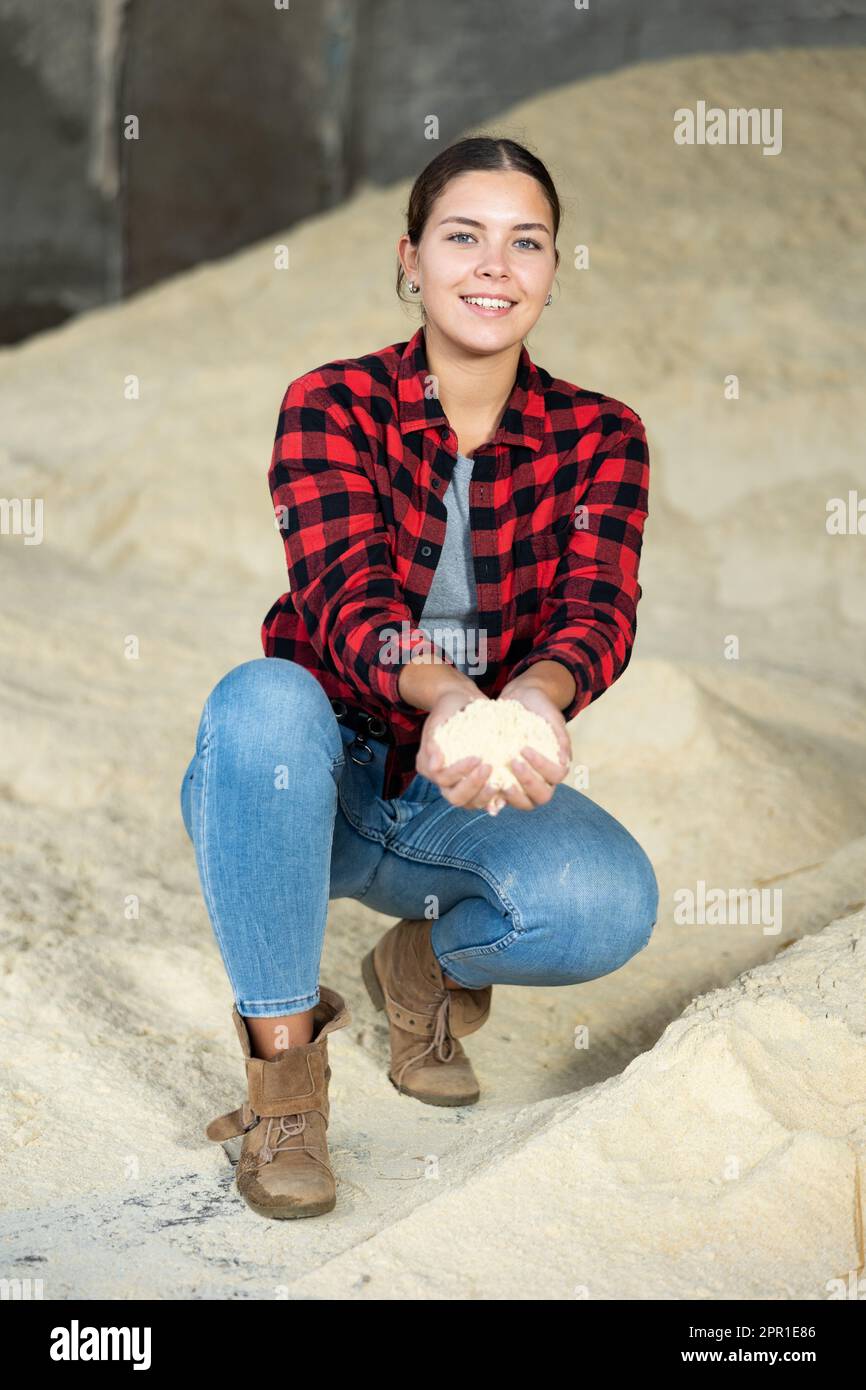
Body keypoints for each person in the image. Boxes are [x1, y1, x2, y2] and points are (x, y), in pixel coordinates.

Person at [179, 134, 659, 1221]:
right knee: (260, 700)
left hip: (460, 792)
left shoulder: (602, 435)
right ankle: (284, 1094)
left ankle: (420, 970)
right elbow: (345, 601)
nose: (494, 264)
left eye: (523, 241)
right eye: (463, 237)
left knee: (604, 905)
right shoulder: (329, 405)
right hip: (316, 777)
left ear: (549, 270)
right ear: (411, 260)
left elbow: (597, 609)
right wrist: (448, 700)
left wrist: (532, 702)